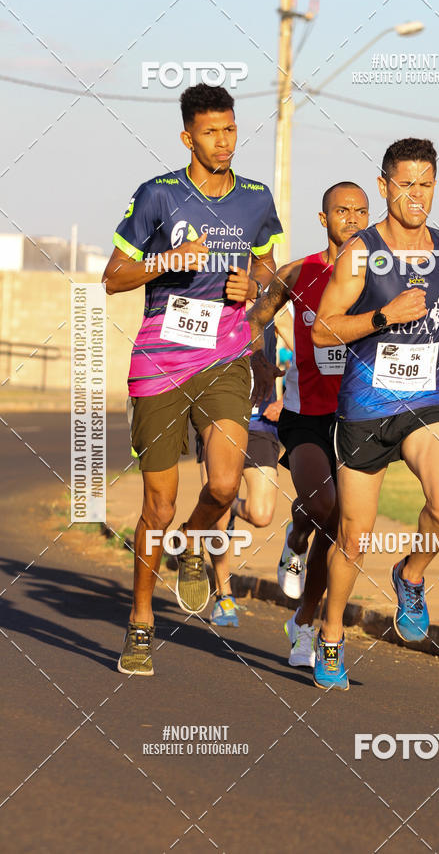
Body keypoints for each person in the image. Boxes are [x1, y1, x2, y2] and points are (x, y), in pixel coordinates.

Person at [102, 83, 282, 676]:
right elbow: (114, 276)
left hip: (226, 355)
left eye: (230, 129)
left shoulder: (256, 199)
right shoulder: (158, 195)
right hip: (160, 359)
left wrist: (254, 291)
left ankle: (193, 545)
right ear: (188, 137)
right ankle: (140, 622)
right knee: (158, 504)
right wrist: (167, 261)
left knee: (225, 485)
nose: (224, 141)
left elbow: (271, 276)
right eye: (211, 132)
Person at [312, 138, 439, 690]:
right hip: (364, 410)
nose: (417, 195)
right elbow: (323, 328)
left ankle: (410, 576)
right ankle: (332, 634)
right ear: (385, 184)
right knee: (354, 537)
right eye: (406, 184)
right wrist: (384, 315)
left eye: (426, 184)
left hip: (426, 402)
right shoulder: (360, 254)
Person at [248, 182, 369, 666]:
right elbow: (257, 316)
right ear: (324, 218)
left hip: (358, 415)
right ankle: (297, 532)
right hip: (304, 414)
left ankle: (303, 622)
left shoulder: (380, 273)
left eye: (361, 211)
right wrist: (260, 363)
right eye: (342, 210)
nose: (353, 218)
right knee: (323, 504)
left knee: (338, 520)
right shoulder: (298, 271)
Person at [192, 321, 283, 628]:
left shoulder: (273, 312)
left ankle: (224, 502)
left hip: (259, 427)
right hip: (216, 422)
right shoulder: (212, 304)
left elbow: (309, 349)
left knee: (261, 513)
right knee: (216, 513)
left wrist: (287, 400)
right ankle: (224, 595)